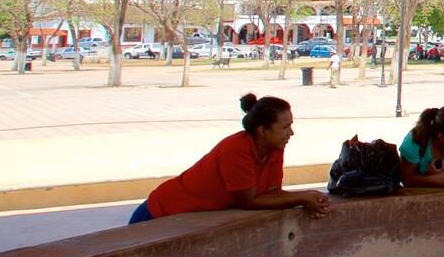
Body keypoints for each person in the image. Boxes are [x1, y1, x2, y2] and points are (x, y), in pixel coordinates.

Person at [131, 94, 331, 224]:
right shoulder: (236, 150)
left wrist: (309, 197)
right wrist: (303, 197)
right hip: (158, 213)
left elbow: (273, 192)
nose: (291, 133)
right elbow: (248, 201)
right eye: (285, 127)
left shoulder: (274, 148)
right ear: (262, 131)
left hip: (183, 218)